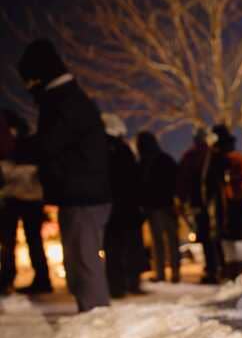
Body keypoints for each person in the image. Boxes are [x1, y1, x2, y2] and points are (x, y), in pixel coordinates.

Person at [17, 39, 111, 311]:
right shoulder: (63, 98)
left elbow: (49, 143)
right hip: (77, 193)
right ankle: (90, 315)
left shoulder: (65, 101)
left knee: (85, 262)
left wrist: (17, 148)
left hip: (85, 195)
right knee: (78, 263)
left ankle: (97, 320)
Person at [1, 109, 52, 295]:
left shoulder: (19, 143)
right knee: (23, 240)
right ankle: (36, 278)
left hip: (21, 197)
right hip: (25, 197)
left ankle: (15, 278)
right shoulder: (28, 142)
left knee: (17, 240)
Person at [102, 114, 145, 297]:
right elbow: (135, 178)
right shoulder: (123, 150)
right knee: (129, 246)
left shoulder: (101, 149)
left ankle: (117, 285)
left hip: (111, 207)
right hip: (127, 206)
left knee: (113, 248)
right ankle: (130, 282)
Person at [178, 127, 225, 283]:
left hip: (199, 203)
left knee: (206, 238)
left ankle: (212, 270)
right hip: (215, 202)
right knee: (215, 237)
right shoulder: (213, 154)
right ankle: (220, 267)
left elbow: (183, 181)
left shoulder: (190, 156)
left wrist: (183, 201)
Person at [211, 124, 242, 280]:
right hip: (238, 206)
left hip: (233, 206)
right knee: (238, 241)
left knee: (234, 241)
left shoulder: (226, 159)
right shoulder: (235, 158)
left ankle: (238, 273)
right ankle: (239, 273)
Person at [136, 131, 181, 283]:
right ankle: (174, 272)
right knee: (171, 240)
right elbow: (176, 180)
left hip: (154, 206)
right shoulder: (165, 159)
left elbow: (140, 186)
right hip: (166, 204)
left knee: (158, 241)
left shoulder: (144, 162)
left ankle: (161, 272)